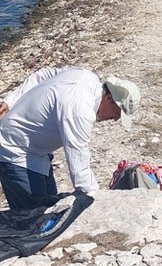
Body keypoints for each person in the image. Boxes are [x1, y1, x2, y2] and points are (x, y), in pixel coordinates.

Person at [0, 66, 140, 211]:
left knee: (48, 211)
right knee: (31, 218)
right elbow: (79, 166)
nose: (116, 119)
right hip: (14, 151)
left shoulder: (85, 76)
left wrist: (12, 100)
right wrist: (97, 203)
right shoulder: (80, 111)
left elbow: (45, 74)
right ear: (109, 98)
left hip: (37, 152)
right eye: (117, 113)